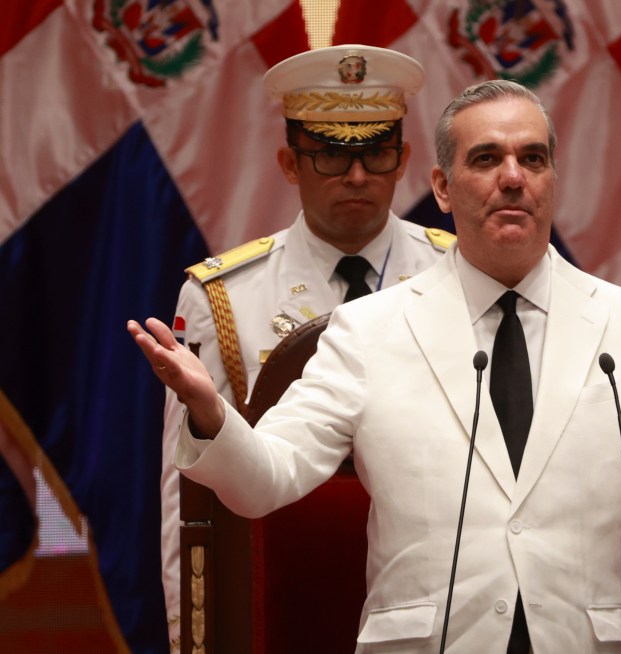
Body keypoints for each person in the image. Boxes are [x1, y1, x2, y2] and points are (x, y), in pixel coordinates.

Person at [132, 79, 621, 653]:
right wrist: (210, 413)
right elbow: (268, 481)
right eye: (486, 159)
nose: (512, 176)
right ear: (444, 188)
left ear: (554, 179)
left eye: (532, 157)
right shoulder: (371, 329)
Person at [157, 44, 453, 650]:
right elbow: (187, 495)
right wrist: (194, 636)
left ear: (405, 159)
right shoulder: (222, 298)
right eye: (331, 154)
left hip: (437, 592)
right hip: (276, 592)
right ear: (289, 163)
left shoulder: (459, 277)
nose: (357, 176)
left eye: (376, 151)